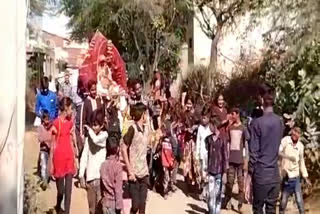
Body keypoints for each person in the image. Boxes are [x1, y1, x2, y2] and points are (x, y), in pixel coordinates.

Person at [249, 85, 284, 214]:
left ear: (262, 102)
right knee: (271, 209)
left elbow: (254, 152)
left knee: (258, 209)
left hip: (261, 174)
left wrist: (249, 174)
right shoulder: (280, 122)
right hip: (274, 175)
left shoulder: (256, 123)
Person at [50, 97, 78, 214]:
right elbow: (52, 144)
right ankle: (58, 205)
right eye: (71, 108)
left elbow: (72, 142)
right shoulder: (56, 123)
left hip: (69, 159)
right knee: (61, 190)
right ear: (66, 108)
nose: (72, 111)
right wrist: (51, 163)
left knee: (68, 190)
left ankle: (66, 211)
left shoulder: (70, 123)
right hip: (59, 160)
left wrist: (76, 160)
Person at [121, 103, 149, 214]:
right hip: (134, 174)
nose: (146, 116)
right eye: (145, 113)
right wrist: (129, 171)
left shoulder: (146, 129)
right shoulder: (132, 129)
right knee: (135, 205)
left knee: (142, 205)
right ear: (142, 114)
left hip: (144, 173)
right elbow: (123, 148)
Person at [79, 109, 108, 214]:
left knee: (100, 209)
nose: (93, 127)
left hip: (101, 178)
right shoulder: (88, 139)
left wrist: (88, 130)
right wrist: (81, 174)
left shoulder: (104, 136)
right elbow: (84, 157)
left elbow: (96, 140)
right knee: (92, 209)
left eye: (96, 125)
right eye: (92, 125)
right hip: (90, 178)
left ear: (101, 125)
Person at [222, 108, 250, 213]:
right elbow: (228, 144)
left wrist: (246, 159)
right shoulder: (230, 128)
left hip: (240, 161)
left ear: (237, 115)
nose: (231, 116)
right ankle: (228, 201)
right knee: (229, 182)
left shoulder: (243, 128)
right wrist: (226, 157)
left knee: (241, 183)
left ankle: (240, 204)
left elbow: (246, 145)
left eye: (233, 114)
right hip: (231, 160)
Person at [279, 127, 311, 214]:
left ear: (299, 135)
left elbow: (301, 162)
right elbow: (278, 152)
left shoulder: (300, 146)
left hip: (295, 178)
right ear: (292, 132)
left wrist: (305, 177)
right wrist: (287, 158)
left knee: (299, 201)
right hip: (286, 177)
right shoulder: (286, 140)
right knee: (283, 202)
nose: (295, 134)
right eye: (294, 131)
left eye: (297, 133)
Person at [205, 121, 228, 214]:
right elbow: (206, 153)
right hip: (210, 170)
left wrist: (225, 172)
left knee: (218, 193)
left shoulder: (222, 140)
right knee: (210, 194)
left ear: (215, 126)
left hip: (219, 170)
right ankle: (211, 211)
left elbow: (225, 156)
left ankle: (216, 211)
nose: (209, 127)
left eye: (211, 125)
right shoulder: (208, 139)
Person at [100, 133, 123, 214]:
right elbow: (118, 189)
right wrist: (119, 207)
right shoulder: (118, 166)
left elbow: (102, 185)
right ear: (117, 149)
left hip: (105, 203)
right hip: (113, 204)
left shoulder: (103, 165)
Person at [196, 106, 212, 201]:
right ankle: (203, 191)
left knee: (208, 174)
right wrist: (197, 155)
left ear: (209, 118)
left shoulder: (211, 128)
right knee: (203, 173)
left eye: (205, 118)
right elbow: (198, 141)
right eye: (202, 117)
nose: (203, 119)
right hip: (202, 154)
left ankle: (207, 193)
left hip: (209, 155)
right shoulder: (200, 128)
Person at [81, 80, 104, 144]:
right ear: (89, 90)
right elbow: (83, 119)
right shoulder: (86, 102)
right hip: (91, 131)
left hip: (100, 130)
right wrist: (83, 133)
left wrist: (100, 126)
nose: (94, 92)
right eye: (92, 90)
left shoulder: (99, 99)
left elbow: (103, 113)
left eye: (95, 89)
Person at [160, 121, 178, 199]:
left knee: (170, 175)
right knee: (165, 176)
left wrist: (173, 159)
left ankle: (170, 186)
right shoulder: (162, 140)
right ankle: (165, 191)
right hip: (164, 161)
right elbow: (160, 149)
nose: (163, 132)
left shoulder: (172, 140)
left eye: (164, 130)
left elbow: (175, 150)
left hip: (171, 161)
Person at [37, 110, 53, 190]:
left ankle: (46, 179)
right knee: (43, 165)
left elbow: (52, 138)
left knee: (48, 167)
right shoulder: (40, 127)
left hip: (50, 150)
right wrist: (46, 141)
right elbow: (40, 138)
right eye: (45, 119)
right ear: (43, 119)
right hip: (43, 149)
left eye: (48, 119)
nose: (47, 121)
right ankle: (44, 182)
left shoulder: (51, 128)